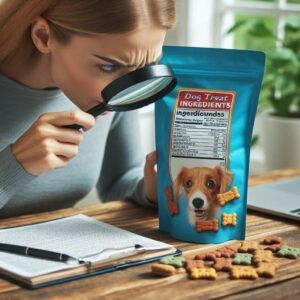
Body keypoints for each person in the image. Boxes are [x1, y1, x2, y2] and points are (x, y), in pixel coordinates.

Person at [0, 0, 176, 217]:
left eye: (145, 67)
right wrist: (16, 166)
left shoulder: (121, 90)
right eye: (108, 66)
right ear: (43, 36)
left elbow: (119, 182)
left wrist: (153, 191)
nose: (127, 91)